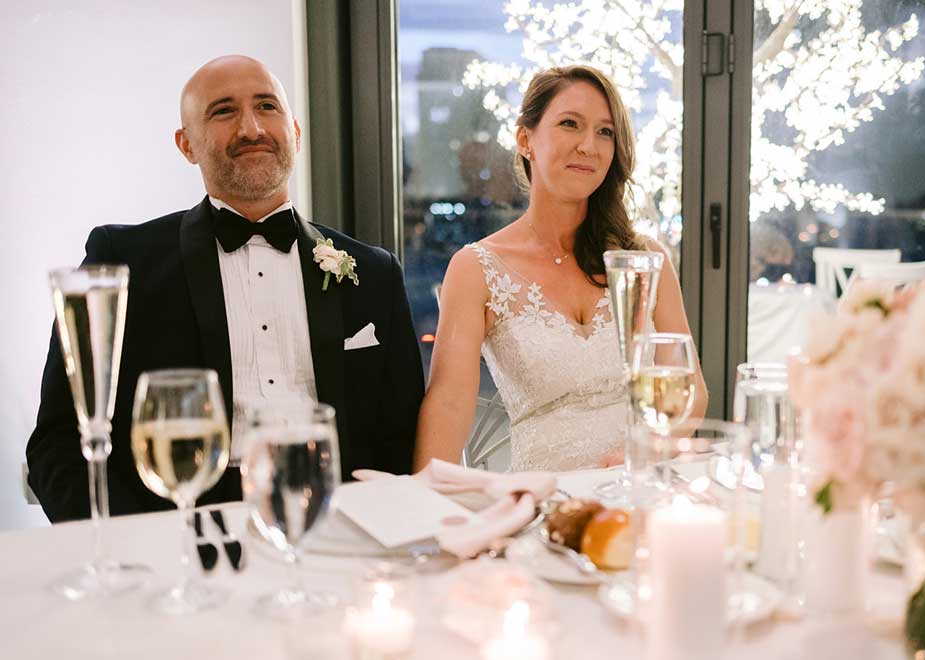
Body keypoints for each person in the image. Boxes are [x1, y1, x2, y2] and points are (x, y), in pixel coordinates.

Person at [27, 55, 424, 522]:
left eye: (267, 106)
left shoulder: (375, 272)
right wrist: (138, 543)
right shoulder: (123, 258)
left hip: (340, 525)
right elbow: (60, 442)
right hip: (177, 526)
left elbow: (405, 437)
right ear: (186, 145)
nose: (251, 128)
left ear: (295, 132)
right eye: (224, 111)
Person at [414, 65, 707, 472]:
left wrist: (649, 454)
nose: (589, 146)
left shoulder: (644, 258)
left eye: (605, 132)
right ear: (525, 140)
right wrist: (425, 499)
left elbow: (691, 390)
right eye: (571, 124)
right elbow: (448, 402)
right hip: (544, 497)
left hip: (641, 484)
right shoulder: (475, 269)